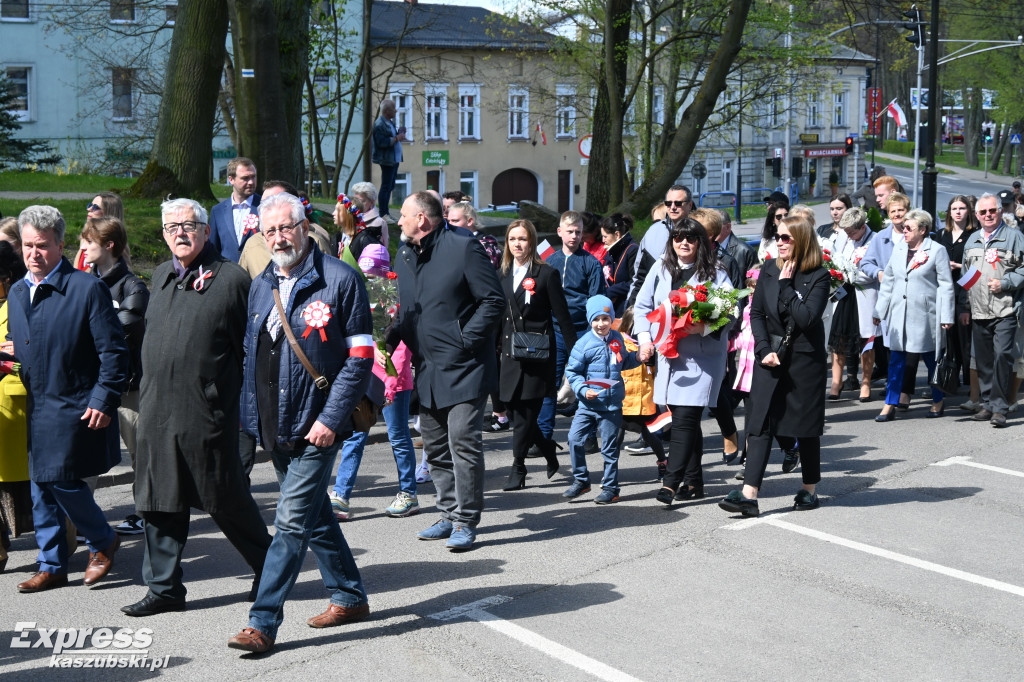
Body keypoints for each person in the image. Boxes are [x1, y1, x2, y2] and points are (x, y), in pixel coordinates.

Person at [227, 192, 373, 655]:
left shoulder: (341, 279)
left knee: (290, 522)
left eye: (285, 228)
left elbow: (360, 358)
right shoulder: (260, 283)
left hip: (318, 424)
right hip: (276, 423)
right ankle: (348, 595)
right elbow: (253, 356)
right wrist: (251, 420)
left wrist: (331, 418)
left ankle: (262, 622)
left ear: (304, 227)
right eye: (268, 231)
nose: (277, 238)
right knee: (315, 515)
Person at [123, 198, 271, 617]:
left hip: (206, 415)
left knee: (226, 499)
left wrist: (244, 410)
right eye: (171, 227)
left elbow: (254, 351)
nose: (180, 233)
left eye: (189, 225)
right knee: (158, 500)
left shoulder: (232, 280)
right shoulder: (160, 276)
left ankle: (270, 568)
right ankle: (165, 588)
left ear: (206, 230)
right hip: (156, 412)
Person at [7, 205, 128, 593]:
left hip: (74, 402)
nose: (33, 254)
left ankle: (102, 538)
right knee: (41, 485)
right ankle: (52, 563)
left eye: (42, 246)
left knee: (60, 479)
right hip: (36, 403)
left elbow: (114, 353)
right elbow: (30, 347)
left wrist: (104, 399)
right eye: (27, 246)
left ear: (60, 244)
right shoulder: (17, 291)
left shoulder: (86, 288)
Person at [391, 192, 504, 551]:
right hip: (427, 366)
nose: (399, 222)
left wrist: (464, 340)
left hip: (466, 366)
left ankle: (466, 520)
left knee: (463, 442)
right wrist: (387, 340)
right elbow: (405, 309)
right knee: (435, 446)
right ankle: (448, 512)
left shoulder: (463, 247)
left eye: (404, 215)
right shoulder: (405, 253)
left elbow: (493, 301)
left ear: (422, 218)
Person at [719, 216, 830, 517]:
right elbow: (755, 314)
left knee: (804, 428)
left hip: (805, 359)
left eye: (786, 238)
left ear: (802, 240)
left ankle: (808, 489)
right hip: (770, 356)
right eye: (778, 237)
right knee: (759, 422)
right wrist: (764, 349)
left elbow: (807, 318)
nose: (779, 242)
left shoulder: (819, 275)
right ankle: (749, 494)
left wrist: (785, 286)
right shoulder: (768, 268)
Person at [634, 217, 734, 504]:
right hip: (669, 357)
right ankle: (694, 482)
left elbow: (730, 310)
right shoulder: (661, 268)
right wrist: (644, 339)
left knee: (685, 420)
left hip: (701, 359)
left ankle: (670, 482)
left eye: (691, 238)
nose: (684, 243)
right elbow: (641, 307)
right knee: (683, 420)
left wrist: (702, 326)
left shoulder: (715, 272)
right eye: (679, 238)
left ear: (701, 242)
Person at [330, 244, 419, 521]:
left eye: (373, 274)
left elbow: (402, 344)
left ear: (385, 273)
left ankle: (409, 493)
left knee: (398, 436)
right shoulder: (360, 299)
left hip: (395, 378)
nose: (369, 280)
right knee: (355, 436)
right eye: (364, 274)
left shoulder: (398, 301)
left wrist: (391, 378)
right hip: (366, 378)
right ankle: (342, 496)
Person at [79, 217, 150, 536]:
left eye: (88, 242)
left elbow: (117, 334)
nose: (81, 248)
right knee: (85, 458)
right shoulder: (82, 284)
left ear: (109, 246)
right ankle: (83, 518)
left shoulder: (133, 287)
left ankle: (145, 513)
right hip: (94, 388)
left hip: (130, 388)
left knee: (141, 455)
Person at [497, 219, 576, 491]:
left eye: (523, 239)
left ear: (531, 241)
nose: (517, 244)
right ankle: (547, 448)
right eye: (512, 239)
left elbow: (563, 318)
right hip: (509, 354)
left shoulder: (547, 274)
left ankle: (518, 468)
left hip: (536, 354)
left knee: (527, 413)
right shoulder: (502, 274)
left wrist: (576, 356)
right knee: (515, 410)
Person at [873, 210, 955, 422]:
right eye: (903, 228)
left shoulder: (937, 250)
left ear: (923, 230)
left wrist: (947, 316)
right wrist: (879, 311)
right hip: (899, 316)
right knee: (896, 362)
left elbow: (946, 285)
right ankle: (890, 404)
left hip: (925, 316)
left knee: (931, 360)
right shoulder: (899, 249)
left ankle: (938, 400)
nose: (904, 231)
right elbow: (889, 281)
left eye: (909, 228)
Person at [562, 295, 640, 504]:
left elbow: (623, 363)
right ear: (589, 321)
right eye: (596, 319)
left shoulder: (617, 338)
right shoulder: (583, 343)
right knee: (574, 439)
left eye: (605, 319)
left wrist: (639, 357)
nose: (601, 324)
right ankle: (581, 480)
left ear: (611, 319)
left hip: (611, 405)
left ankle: (611, 488)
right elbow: (573, 371)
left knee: (609, 448)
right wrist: (582, 390)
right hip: (588, 404)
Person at [537, 211, 606, 443]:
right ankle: (544, 437)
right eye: (570, 231)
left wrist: (593, 334)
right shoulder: (548, 261)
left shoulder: (591, 263)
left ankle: (588, 437)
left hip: (583, 331)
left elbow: (597, 300)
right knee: (549, 382)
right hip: (555, 330)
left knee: (587, 382)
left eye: (578, 232)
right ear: (560, 232)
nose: (574, 236)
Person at [959, 193, 1024, 427]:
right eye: (983, 212)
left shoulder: (1015, 237)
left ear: (1000, 211)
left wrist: (1005, 283)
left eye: (992, 210)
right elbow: (967, 276)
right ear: (977, 215)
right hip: (978, 310)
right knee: (984, 360)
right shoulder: (972, 240)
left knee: (1002, 356)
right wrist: (964, 306)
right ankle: (987, 403)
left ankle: (999, 407)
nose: (988, 215)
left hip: (1005, 308)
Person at [0, 240, 30, 574]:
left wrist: (9, 364)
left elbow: (34, 356)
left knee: (22, 490)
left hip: (16, 408)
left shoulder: (21, 303)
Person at [826, 207, 878, 402]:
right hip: (843, 294)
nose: (849, 236)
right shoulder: (843, 237)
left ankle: (866, 382)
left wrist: (853, 275)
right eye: (846, 232)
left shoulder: (875, 240)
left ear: (863, 227)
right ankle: (836, 382)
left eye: (852, 232)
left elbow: (877, 269)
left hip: (864, 293)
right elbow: (835, 259)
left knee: (866, 340)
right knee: (838, 339)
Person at [238, 181, 332, 279]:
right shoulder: (252, 245)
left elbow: (331, 281)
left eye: (277, 202)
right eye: (264, 204)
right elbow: (243, 287)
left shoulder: (315, 242)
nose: (279, 239)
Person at [937, 195, 980, 407]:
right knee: (948, 338)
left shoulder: (974, 235)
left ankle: (971, 385)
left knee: (966, 338)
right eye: (954, 208)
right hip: (945, 291)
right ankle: (948, 381)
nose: (958, 212)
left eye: (962, 208)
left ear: (968, 212)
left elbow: (977, 270)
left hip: (966, 291)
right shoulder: (942, 235)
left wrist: (958, 267)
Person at [616, 307, 667, 479]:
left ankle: (663, 463)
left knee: (651, 436)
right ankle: (610, 472)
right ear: (629, 326)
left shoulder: (653, 346)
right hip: (623, 399)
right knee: (615, 438)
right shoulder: (619, 343)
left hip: (645, 399)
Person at [627, 184, 693, 306]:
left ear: (690, 205)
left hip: (689, 305)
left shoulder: (701, 231)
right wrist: (631, 304)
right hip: (653, 306)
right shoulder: (653, 231)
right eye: (668, 203)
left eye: (678, 203)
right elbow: (639, 275)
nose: (673, 207)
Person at [209, 157, 261, 262]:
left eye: (253, 177)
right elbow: (213, 249)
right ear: (231, 179)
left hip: (258, 274)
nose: (251, 182)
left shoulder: (264, 206)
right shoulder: (217, 211)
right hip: (228, 275)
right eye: (245, 178)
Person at [371, 99, 406, 219]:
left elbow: (391, 136)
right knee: (386, 186)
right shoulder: (380, 124)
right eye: (393, 109)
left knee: (390, 185)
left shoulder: (389, 122)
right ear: (387, 111)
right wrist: (397, 138)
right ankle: (383, 213)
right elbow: (381, 142)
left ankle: (386, 212)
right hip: (386, 159)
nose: (396, 111)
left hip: (394, 159)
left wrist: (399, 134)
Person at [600, 213, 638, 317]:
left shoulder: (633, 250)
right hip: (611, 306)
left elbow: (635, 282)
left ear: (617, 235)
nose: (603, 240)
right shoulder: (612, 249)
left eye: (605, 236)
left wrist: (611, 291)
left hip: (624, 308)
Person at [77, 191, 126, 271]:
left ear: (108, 213)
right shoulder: (85, 237)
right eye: (90, 205)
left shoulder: (118, 247)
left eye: (95, 207)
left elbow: (122, 274)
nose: (89, 209)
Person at [448, 201, 502, 268]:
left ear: (469, 221)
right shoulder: (449, 242)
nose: (449, 225)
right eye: (448, 221)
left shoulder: (486, 246)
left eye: (455, 221)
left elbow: (486, 273)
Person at [352, 181, 389, 246]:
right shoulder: (350, 217)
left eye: (360, 201)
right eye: (354, 200)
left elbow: (383, 249)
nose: (356, 204)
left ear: (372, 202)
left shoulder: (379, 223)